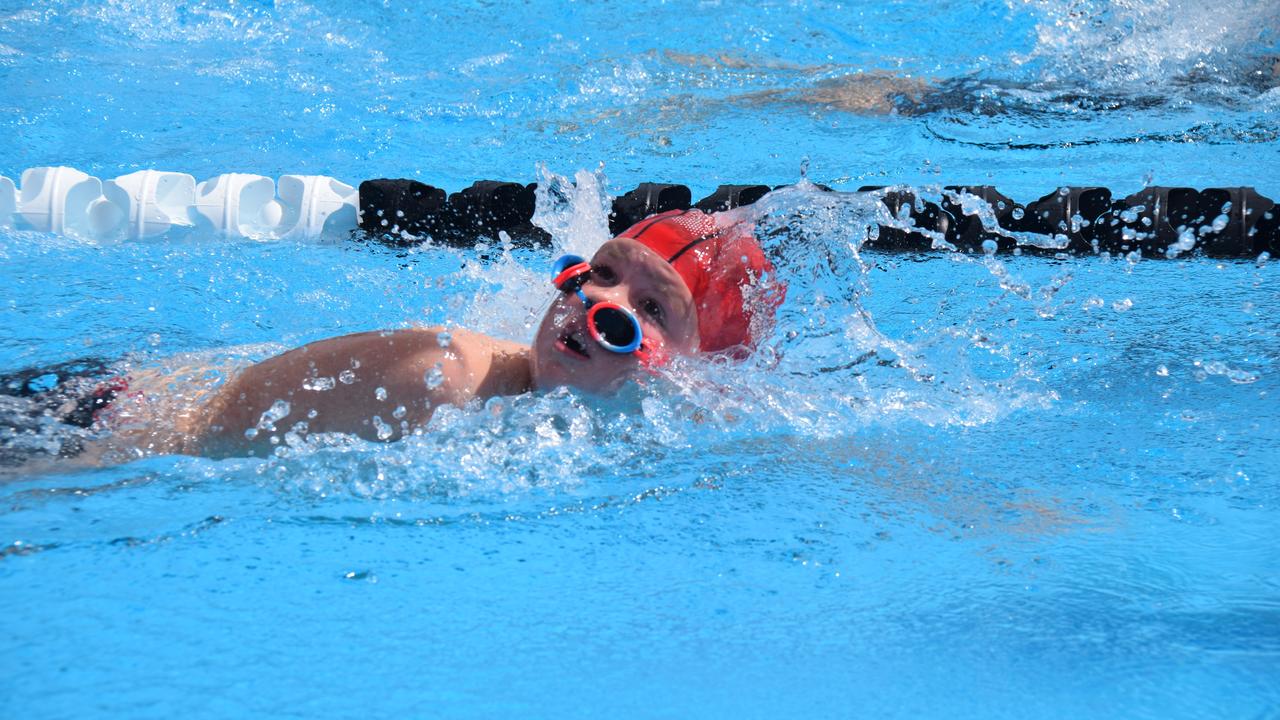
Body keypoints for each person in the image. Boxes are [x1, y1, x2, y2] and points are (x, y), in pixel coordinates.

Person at [2, 208, 781, 465]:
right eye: (604, 272)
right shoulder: (447, 377)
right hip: (84, 427)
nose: (599, 303)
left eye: (653, 308)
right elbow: (159, 453)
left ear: (698, 370)